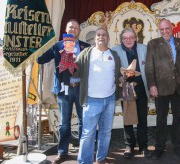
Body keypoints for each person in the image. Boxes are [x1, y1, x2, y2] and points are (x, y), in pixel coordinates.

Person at [37, 19, 90, 164]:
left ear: (79, 31)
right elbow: (41, 60)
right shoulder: (58, 46)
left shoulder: (86, 47)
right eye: (70, 27)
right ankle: (62, 152)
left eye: (76, 28)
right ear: (66, 30)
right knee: (64, 123)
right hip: (63, 90)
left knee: (83, 122)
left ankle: (83, 152)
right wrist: (36, 48)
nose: (73, 29)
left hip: (80, 89)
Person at [75, 27, 121, 164]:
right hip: (91, 100)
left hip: (110, 99)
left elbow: (118, 75)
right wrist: (68, 64)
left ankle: (100, 158)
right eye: (99, 35)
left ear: (108, 38)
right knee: (88, 134)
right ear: (95, 38)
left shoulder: (114, 55)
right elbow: (75, 72)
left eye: (104, 35)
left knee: (106, 132)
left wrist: (125, 76)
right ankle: (84, 161)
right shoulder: (85, 54)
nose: (101, 37)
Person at [145, 18, 180, 160]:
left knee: (178, 119)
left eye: (167, 28)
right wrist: (152, 85)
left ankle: (178, 146)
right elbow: (149, 67)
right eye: (161, 29)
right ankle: (159, 147)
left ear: (172, 27)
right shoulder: (153, 44)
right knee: (161, 119)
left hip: (179, 88)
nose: (164, 31)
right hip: (160, 88)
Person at [111, 28, 149, 158]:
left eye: (131, 37)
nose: (128, 40)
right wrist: (121, 80)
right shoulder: (115, 50)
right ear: (122, 39)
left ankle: (143, 146)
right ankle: (129, 145)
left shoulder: (144, 48)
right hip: (126, 89)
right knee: (128, 118)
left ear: (135, 38)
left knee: (142, 118)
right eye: (125, 38)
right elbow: (113, 70)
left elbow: (148, 68)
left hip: (141, 88)